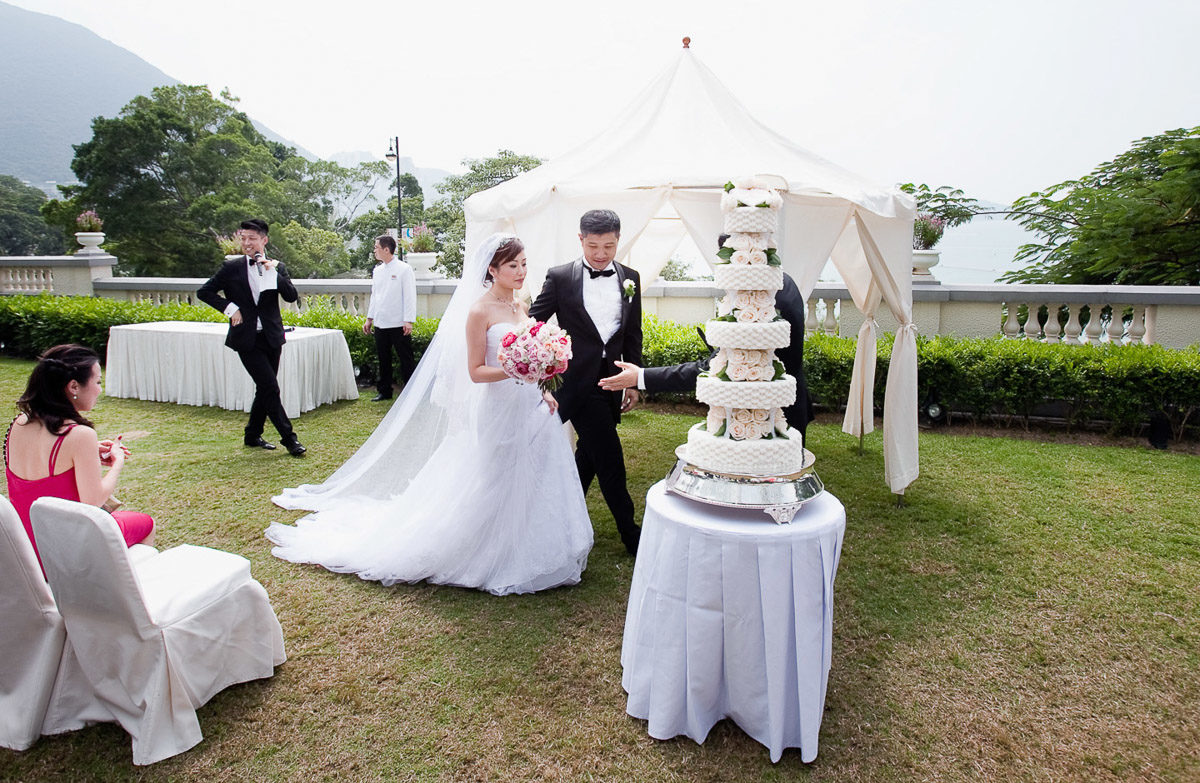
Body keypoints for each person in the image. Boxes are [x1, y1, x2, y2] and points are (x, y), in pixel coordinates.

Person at [267, 234, 593, 595]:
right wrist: (514, 369)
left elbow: (532, 359)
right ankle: (482, 550)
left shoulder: (521, 306)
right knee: (495, 476)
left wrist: (543, 387)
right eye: (512, 265)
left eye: (524, 264)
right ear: (492, 269)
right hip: (498, 407)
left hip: (529, 407)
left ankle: (529, 546)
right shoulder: (479, 311)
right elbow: (475, 372)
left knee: (533, 472)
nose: (521, 272)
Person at [599, 237, 815, 439]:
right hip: (789, 403)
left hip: (769, 415)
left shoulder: (760, 303)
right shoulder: (782, 281)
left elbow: (711, 368)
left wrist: (641, 377)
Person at [529, 209, 643, 555]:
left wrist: (633, 381)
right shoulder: (560, 277)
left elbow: (633, 333)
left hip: (612, 381)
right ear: (581, 239)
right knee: (610, 458)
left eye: (609, 246)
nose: (601, 254)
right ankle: (631, 535)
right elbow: (533, 323)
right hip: (575, 383)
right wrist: (548, 361)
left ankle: (562, 517)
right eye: (593, 246)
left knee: (589, 454)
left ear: (618, 240)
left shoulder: (631, 278)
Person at [5, 344, 154, 571]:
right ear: (74, 386)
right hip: (68, 550)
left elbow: (40, 465)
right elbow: (92, 501)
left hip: (26, 547)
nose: (99, 390)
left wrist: (87, 454)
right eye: (98, 382)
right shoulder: (80, 435)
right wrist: (117, 463)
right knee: (146, 523)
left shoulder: (18, 423)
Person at [198, 219, 306, 456]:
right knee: (270, 387)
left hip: (271, 336)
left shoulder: (277, 266)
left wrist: (273, 273)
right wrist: (230, 308)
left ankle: (252, 434)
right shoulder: (232, 267)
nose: (247, 243)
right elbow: (204, 292)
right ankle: (290, 439)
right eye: (243, 238)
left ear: (264, 240)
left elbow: (291, 296)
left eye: (252, 238)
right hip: (246, 339)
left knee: (264, 388)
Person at [363, 235, 417, 401]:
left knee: (405, 358)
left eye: (376, 247)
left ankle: (410, 392)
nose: (374, 250)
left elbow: (409, 295)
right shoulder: (377, 270)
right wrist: (369, 318)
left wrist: (408, 320)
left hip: (398, 322)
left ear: (386, 249)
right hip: (381, 321)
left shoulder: (404, 269)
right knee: (383, 358)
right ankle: (385, 391)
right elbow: (375, 296)